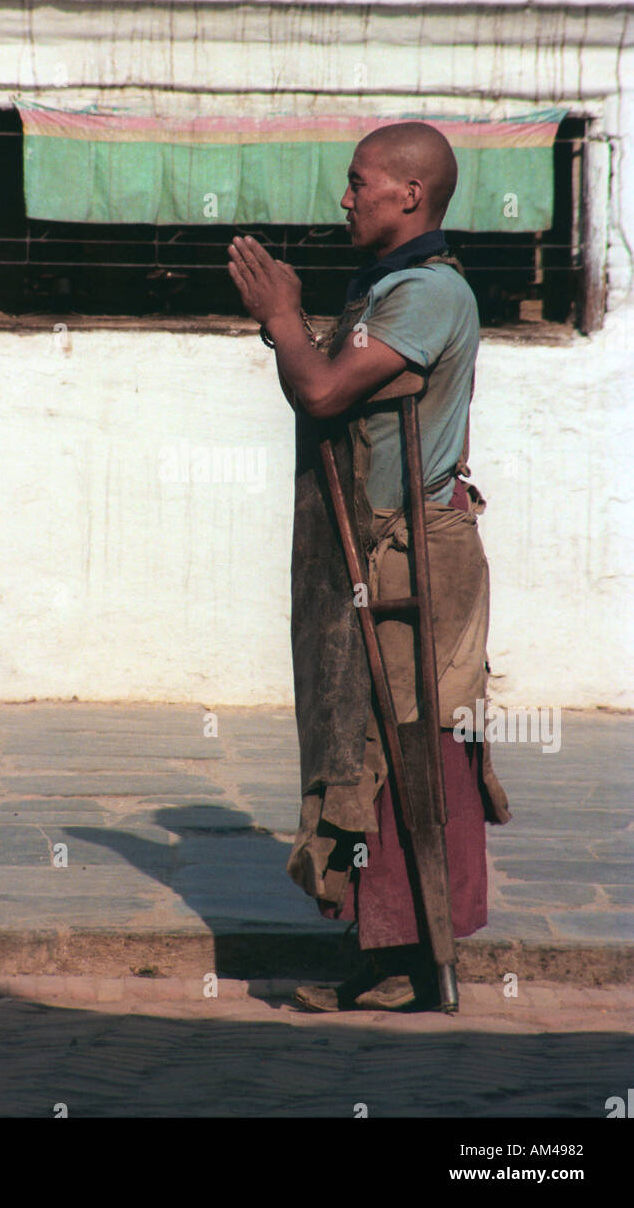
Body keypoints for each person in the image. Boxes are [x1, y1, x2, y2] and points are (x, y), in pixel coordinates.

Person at [228, 122, 510, 1013]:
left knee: (407, 742)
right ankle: (382, 942)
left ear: (409, 195)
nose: (343, 198)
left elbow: (320, 389)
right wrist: (297, 326)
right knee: (360, 734)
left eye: (358, 183)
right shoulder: (383, 287)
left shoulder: (427, 294)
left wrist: (281, 317)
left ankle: (414, 954)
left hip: (411, 551)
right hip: (370, 546)